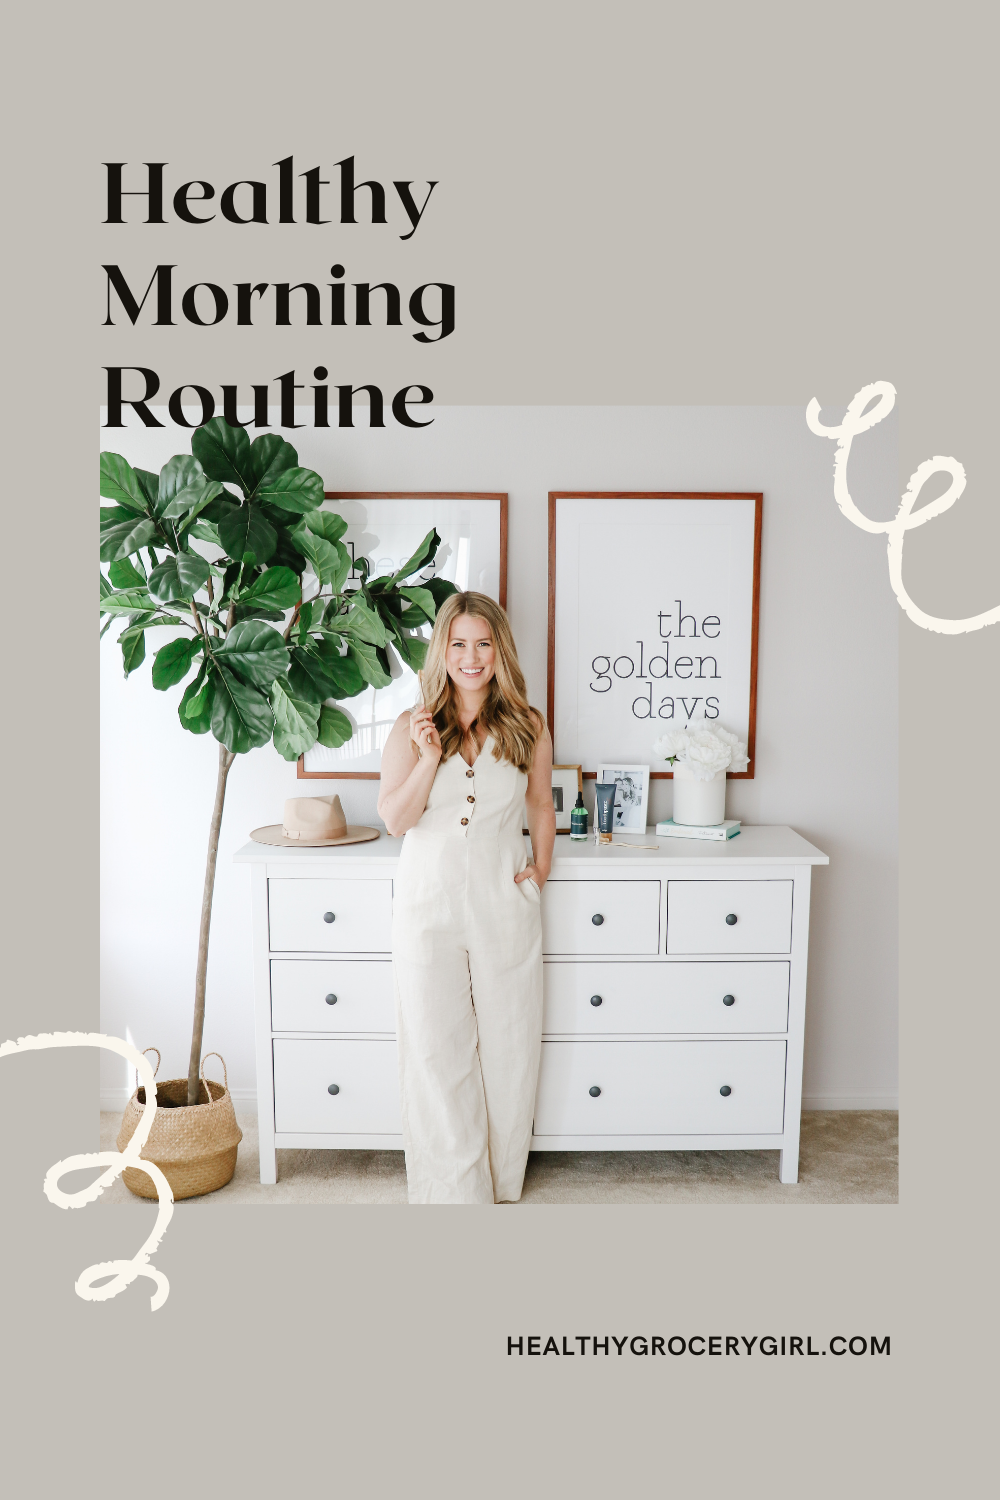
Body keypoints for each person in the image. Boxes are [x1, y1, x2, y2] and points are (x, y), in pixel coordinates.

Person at [377, 591, 555, 1204]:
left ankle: (502, 1179)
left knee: (510, 1040)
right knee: (435, 1043)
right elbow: (396, 820)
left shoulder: (528, 724)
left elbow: (540, 802)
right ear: (442, 650)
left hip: (504, 901)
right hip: (426, 907)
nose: (471, 657)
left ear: (499, 648)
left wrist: (541, 868)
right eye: (458, 644)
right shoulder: (412, 726)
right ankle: (454, 1189)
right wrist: (428, 759)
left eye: (483, 643)